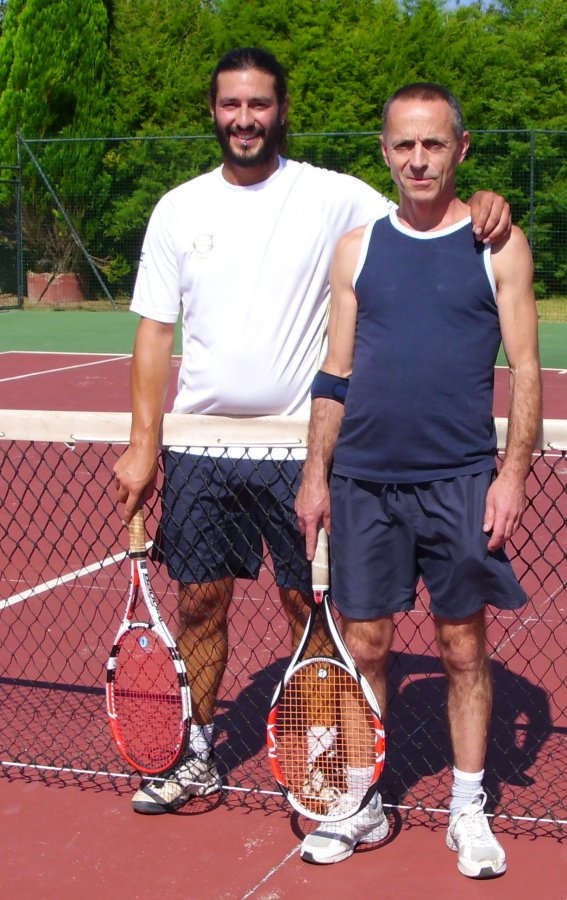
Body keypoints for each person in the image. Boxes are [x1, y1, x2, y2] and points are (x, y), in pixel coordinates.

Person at [113, 48, 512, 817]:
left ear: (282, 110)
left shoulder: (332, 196)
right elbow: (155, 334)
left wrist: (487, 201)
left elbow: (423, 209)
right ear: (213, 111)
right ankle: (198, 754)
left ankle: (331, 764)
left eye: (259, 104)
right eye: (231, 104)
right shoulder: (178, 209)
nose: (244, 119)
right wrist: (142, 443)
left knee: (314, 612)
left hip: (298, 449)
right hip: (198, 447)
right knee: (199, 605)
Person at [295, 82, 542, 877]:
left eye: (434, 144)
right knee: (366, 644)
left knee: (463, 647)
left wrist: (512, 476)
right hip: (364, 480)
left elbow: (527, 371)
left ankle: (467, 806)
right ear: (384, 152)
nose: (418, 159)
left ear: (461, 149)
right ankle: (362, 801)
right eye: (404, 145)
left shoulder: (496, 242)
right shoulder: (357, 248)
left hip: (461, 480)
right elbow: (335, 371)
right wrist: (315, 473)